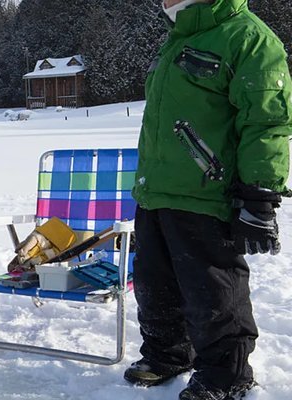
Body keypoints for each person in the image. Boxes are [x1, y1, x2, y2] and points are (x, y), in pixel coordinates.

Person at [125, 1, 291, 399]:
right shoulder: (178, 37)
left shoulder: (248, 38)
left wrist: (259, 195)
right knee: (154, 282)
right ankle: (167, 354)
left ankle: (227, 374)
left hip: (207, 193)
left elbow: (268, 122)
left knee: (212, 290)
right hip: (156, 188)